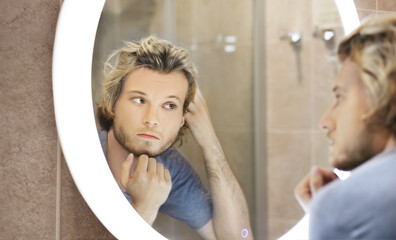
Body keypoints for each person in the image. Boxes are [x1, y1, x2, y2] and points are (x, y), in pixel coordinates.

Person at [96, 36, 252, 239]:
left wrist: (209, 141)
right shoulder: (84, 156)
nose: (152, 120)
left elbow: (240, 237)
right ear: (112, 104)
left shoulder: (170, 167)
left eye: (169, 105)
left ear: (182, 119)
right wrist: (145, 207)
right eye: (140, 100)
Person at [294, 14, 396, 239]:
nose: (325, 122)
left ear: (382, 96)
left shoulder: (342, 207)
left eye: (339, 97)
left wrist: (331, 213)